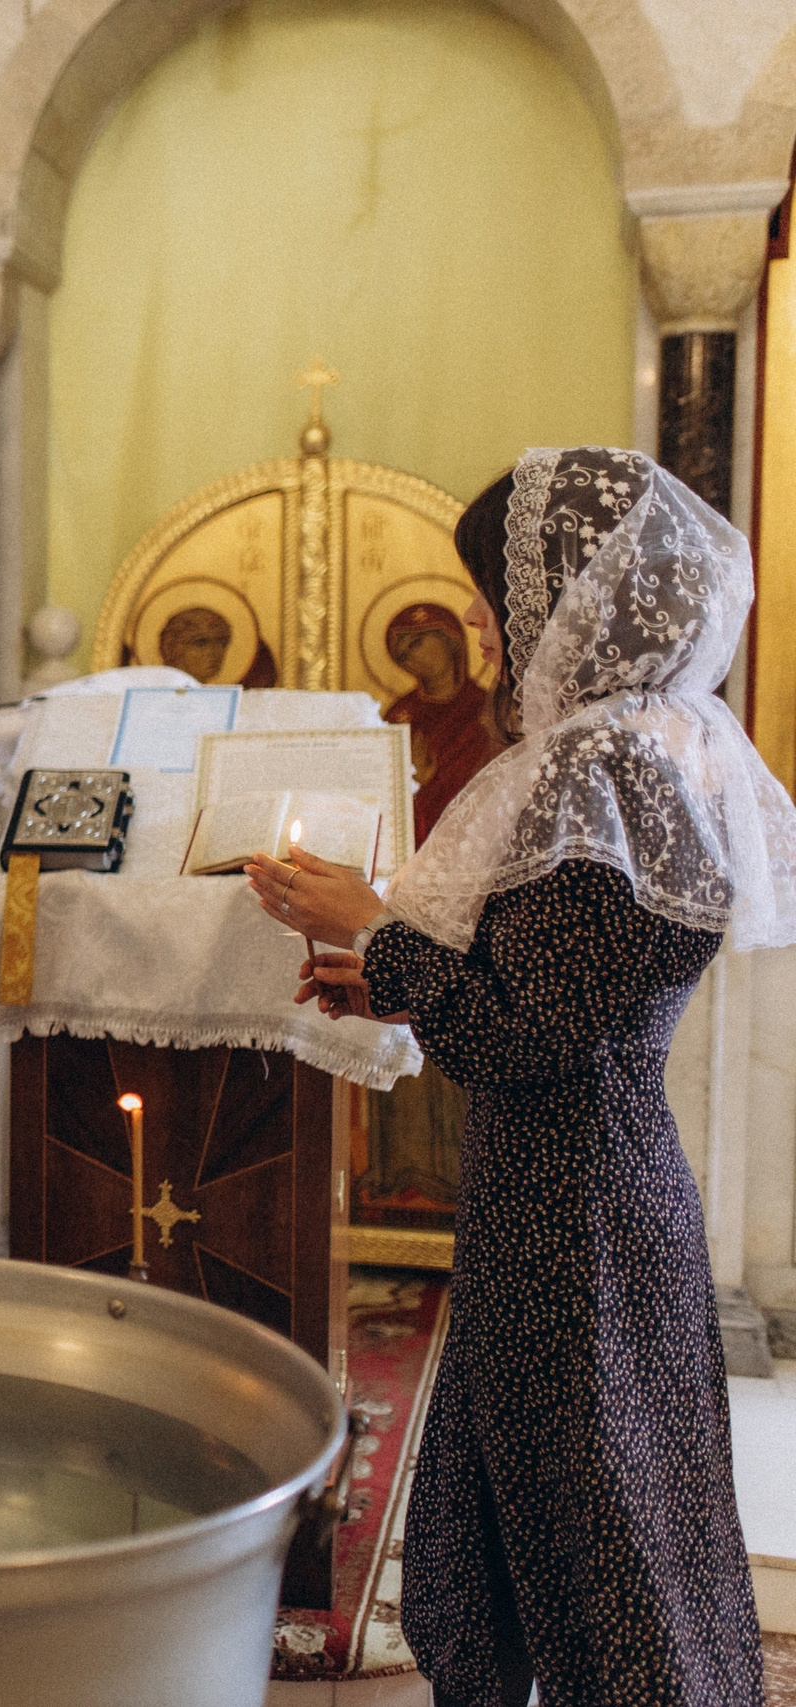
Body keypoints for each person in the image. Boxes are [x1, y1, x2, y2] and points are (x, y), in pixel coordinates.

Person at [249, 447, 794, 1707]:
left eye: (497, 592)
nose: (485, 626)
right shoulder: (658, 746)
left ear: (573, 594)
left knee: (596, 1549)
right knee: (548, 1522)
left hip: (573, 1212)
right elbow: (550, 999)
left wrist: (376, 927)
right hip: (584, 1186)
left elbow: (532, 1040)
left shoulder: (595, 773)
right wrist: (383, 973)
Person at [380, 600, 500, 841]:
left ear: (450, 637)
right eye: (402, 655)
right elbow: (382, 799)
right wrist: (416, 784)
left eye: (417, 643)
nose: (412, 657)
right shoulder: (399, 716)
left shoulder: (489, 709)